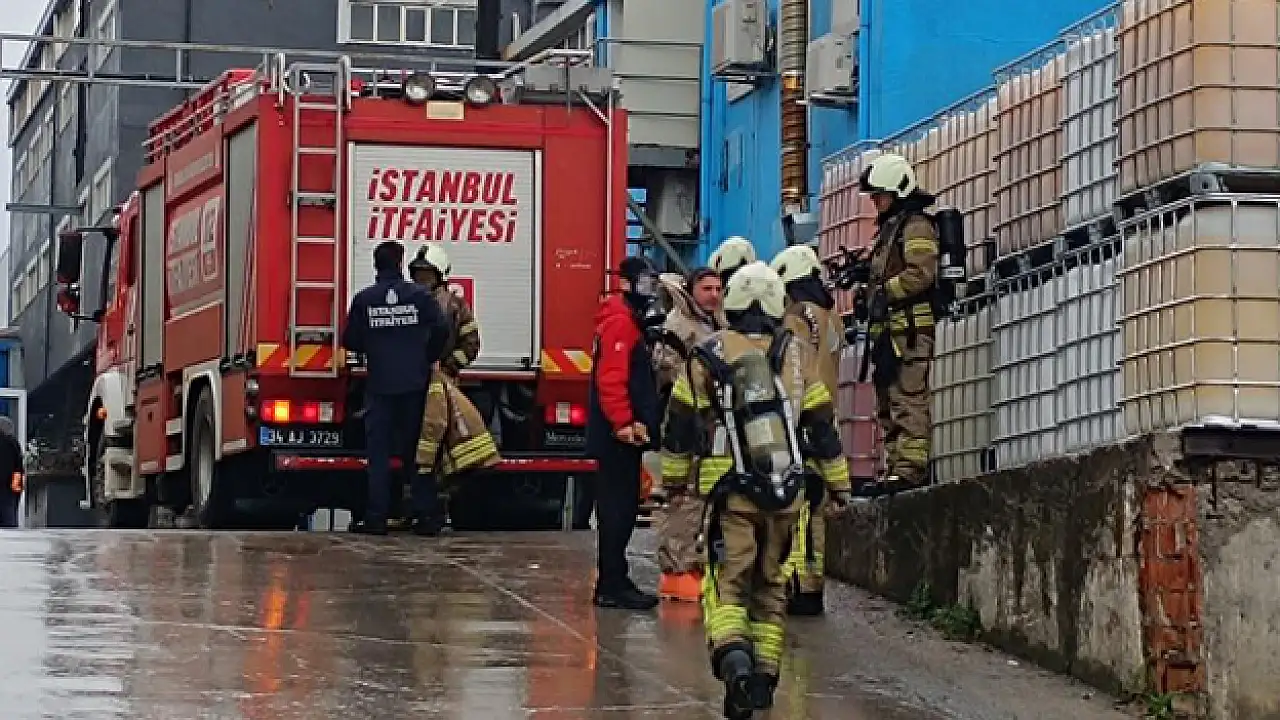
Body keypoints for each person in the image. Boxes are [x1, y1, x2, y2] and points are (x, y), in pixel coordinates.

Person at [659, 261, 851, 718]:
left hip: (731, 495)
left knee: (727, 586)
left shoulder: (709, 353)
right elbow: (822, 427)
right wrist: (839, 483)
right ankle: (763, 681)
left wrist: (673, 482)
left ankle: (737, 668)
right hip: (788, 496)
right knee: (770, 590)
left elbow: (680, 424)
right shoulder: (798, 356)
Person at [342, 241, 449, 536]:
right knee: (417, 453)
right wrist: (426, 356)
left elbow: (350, 340)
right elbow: (442, 328)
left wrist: (373, 345)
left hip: (380, 387)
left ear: (376, 266)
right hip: (415, 386)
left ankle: (376, 518)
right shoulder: (419, 297)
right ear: (401, 264)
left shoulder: (365, 300)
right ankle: (425, 516)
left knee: (378, 456)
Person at [771, 244, 848, 617]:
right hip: (827, 415)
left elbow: (794, 370)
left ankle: (799, 586)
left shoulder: (797, 316)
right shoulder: (832, 317)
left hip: (801, 418)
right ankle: (812, 585)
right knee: (817, 508)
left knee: (797, 507)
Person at [857, 152, 939, 494]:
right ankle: (895, 468)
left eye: (880, 195)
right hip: (891, 334)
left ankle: (911, 470)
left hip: (910, 332)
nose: (875, 201)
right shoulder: (891, 229)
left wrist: (884, 291)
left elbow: (921, 273)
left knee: (908, 398)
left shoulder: (916, 226)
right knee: (889, 402)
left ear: (898, 190)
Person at [585, 255, 663, 611]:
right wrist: (623, 423)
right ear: (627, 284)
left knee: (623, 507)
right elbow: (612, 379)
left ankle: (614, 579)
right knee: (618, 510)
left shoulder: (626, 321)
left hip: (622, 433)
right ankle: (612, 583)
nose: (649, 291)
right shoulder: (621, 323)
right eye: (645, 283)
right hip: (618, 436)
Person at [649, 267, 725, 604]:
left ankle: (694, 566)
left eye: (718, 288)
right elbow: (669, 373)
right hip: (684, 422)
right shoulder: (678, 327)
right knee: (680, 499)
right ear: (692, 291)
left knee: (703, 498)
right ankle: (677, 571)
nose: (714, 294)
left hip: (710, 425)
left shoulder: (716, 324)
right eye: (707, 288)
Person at [406, 244, 484, 530]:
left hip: (439, 386)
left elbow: (471, 343)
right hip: (414, 384)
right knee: (417, 448)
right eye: (418, 274)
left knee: (437, 449)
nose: (422, 280)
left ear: (440, 275)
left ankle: (434, 509)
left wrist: (449, 367)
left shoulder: (454, 305)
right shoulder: (409, 300)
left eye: (427, 275)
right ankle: (419, 507)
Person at [0, 417, 23, 528]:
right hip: (9, 487)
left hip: (7, 486)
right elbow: (18, 468)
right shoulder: (13, 443)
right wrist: (17, 488)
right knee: (8, 518)